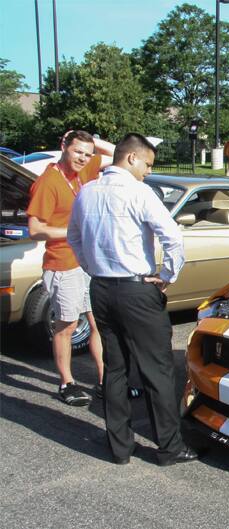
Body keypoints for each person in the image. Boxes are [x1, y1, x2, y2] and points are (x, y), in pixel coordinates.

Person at [67, 133, 197, 466]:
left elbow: (74, 238)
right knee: (157, 370)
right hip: (137, 291)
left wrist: (94, 267)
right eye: (148, 165)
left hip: (102, 289)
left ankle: (119, 447)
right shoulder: (139, 192)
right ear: (131, 158)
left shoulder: (87, 191)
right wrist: (167, 276)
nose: (148, 172)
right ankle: (169, 448)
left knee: (115, 368)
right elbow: (173, 238)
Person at [27, 130, 114, 406]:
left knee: (98, 323)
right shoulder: (48, 181)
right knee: (67, 326)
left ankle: (104, 381)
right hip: (63, 264)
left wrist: (93, 141)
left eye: (88, 154)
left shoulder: (83, 170)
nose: (84, 158)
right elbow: (35, 229)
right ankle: (67, 382)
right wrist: (73, 231)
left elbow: (116, 153)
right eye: (78, 151)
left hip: (89, 263)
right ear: (63, 146)